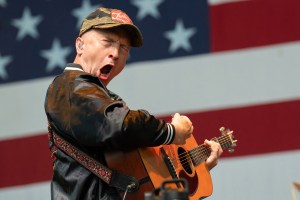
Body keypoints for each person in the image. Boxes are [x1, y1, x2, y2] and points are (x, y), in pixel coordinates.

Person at [44, 7, 223, 200]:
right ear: (80, 46)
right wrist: (172, 132)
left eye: (124, 48)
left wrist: (198, 170)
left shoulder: (103, 99)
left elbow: (140, 177)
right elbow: (120, 125)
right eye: (107, 42)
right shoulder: (69, 86)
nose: (115, 53)